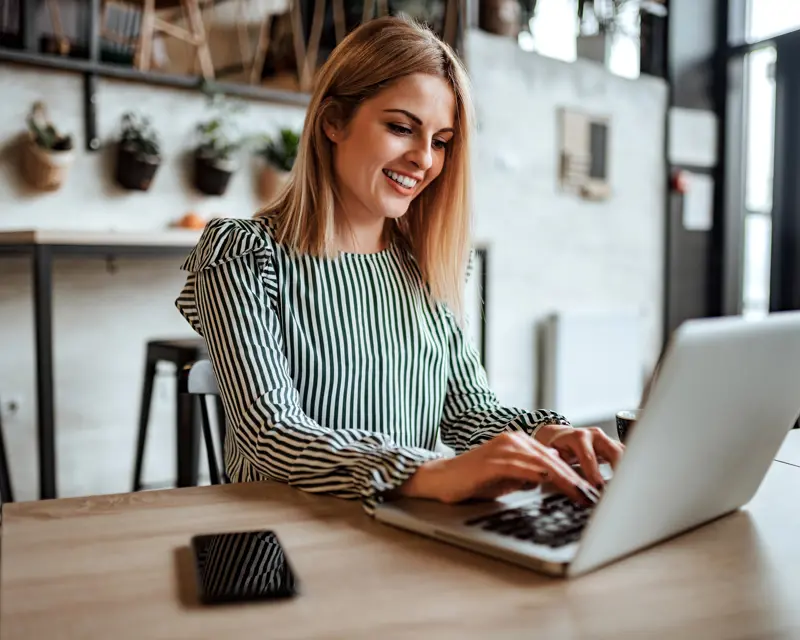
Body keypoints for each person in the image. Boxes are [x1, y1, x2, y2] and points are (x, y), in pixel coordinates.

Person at [176, 16, 624, 514]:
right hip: (287, 540)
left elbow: (467, 410)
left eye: (441, 141)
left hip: (403, 527)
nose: (424, 160)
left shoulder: (422, 264)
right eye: (400, 128)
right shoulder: (243, 255)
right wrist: (425, 472)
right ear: (333, 122)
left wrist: (544, 435)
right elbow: (272, 436)